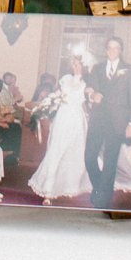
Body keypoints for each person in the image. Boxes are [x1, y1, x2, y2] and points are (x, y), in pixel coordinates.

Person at [28, 50, 92, 204]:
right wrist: (49, 103)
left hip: (76, 119)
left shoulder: (87, 84)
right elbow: (56, 96)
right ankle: (48, 191)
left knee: (76, 152)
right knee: (56, 150)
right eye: (74, 64)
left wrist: (91, 97)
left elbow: (89, 102)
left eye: (78, 65)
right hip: (63, 117)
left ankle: (72, 185)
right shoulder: (65, 79)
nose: (75, 67)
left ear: (84, 67)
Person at [85, 35, 131, 210]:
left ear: (121, 50)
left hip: (118, 122)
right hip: (98, 120)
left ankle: (103, 198)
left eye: (116, 48)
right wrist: (91, 95)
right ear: (105, 50)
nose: (112, 51)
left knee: (110, 161)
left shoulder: (129, 70)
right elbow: (90, 89)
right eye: (109, 47)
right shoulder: (98, 68)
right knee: (89, 157)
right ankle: (100, 188)